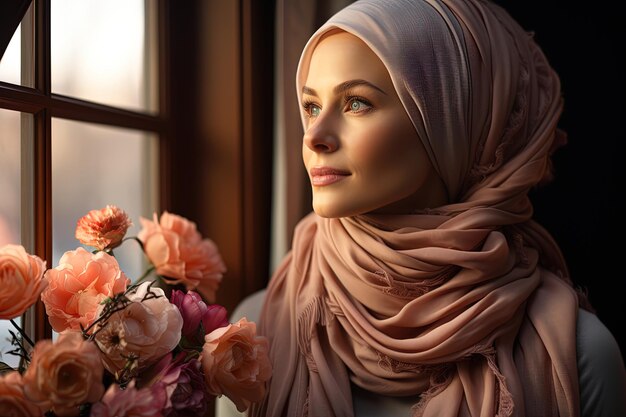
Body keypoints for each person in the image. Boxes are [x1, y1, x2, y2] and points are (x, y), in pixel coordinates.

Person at [219, 0, 626, 416]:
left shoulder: (577, 355)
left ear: (456, 121)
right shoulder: (255, 335)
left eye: (357, 102)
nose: (314, 136)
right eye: (311, 106)